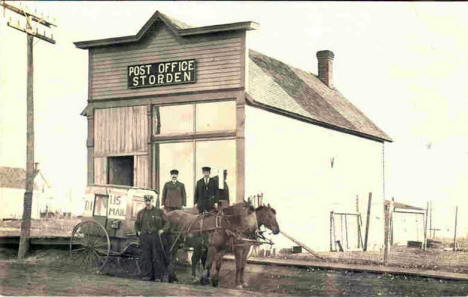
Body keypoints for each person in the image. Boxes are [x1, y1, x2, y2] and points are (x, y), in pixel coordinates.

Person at [134, 195, 169, 282]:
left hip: (155, 237)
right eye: (146, 201)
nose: (148, 203)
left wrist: (162, 230)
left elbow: (167, 223)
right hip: (144, 237)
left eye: (149, 201)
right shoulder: (140, 213)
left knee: (157, 256)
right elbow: (136, 224)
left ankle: (157, 277)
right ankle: (147, 276)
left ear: (152, 201)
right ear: (144, 202)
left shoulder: (159, 212)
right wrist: (138, 231)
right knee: (146, 256)